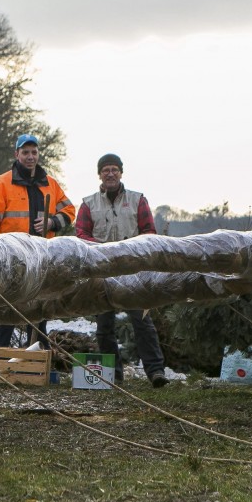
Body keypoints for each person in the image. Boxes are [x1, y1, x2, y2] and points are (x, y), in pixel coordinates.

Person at [75, 153, 169, 388]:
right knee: (104, 327)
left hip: (133, 273)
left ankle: (156, 372)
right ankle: (112, 375)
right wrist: (101, 250)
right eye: (105, 169)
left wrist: (133, 251)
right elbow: (81, 236)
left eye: (114, 169)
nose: (110, 173)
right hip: (102, 273)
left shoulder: (138, 200)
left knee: (143, 323)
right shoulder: (88, 203)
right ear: (99, 174)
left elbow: (149, 231)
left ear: (121, 173)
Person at [0, 133, 76, 348]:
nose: (30, 156)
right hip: (12, 258)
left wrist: (52, 223)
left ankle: (38, 361)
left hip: (42, 257)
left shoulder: (50, 184)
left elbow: (70, 211)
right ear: (17, 154)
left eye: (34, 152)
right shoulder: (3, 183)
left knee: (38, 313)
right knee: (7, 312)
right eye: (25, 152)